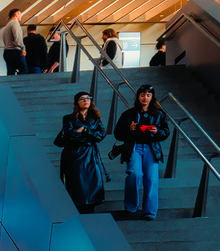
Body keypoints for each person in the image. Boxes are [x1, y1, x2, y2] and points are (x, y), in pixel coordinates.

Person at [112, 84, 171, 220]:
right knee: (135, 174)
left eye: (148, 95)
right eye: (143, 95)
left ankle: (150, 212)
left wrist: (157, 131)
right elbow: (117, 134)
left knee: (151, 178)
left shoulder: (159, 114)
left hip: (151, 148)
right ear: (138, 96)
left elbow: (165, 132)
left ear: (152, 97)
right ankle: (131, 206)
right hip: (134, 147)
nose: (145, 98)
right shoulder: (128, 114)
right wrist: (130, 130)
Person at [55, 90, 109, 214]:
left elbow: (101, 135)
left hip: (90, 154)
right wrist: (89, 137)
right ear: (77, 102)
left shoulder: (95, 118)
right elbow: (70, 135)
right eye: (82, 99)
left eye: (88, 98)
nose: (86, 101)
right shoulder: (69, 118)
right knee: (78, 184)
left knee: (92, 184)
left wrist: (84, 131)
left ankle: (90, 209)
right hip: (74, 155)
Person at [0, 9, 26, 75]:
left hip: (7, 51)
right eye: (20, 14)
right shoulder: (15, 23)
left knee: (11, 72)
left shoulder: (7, 25)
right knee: (24, 69)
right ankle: (20, 84)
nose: (21, 16)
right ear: (16, 14)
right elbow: (17, 38)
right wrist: (23, 48)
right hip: (14, 51)